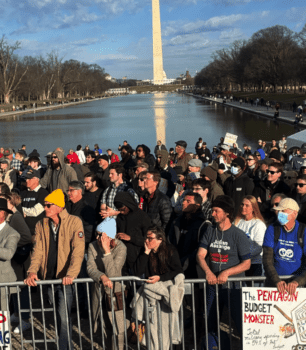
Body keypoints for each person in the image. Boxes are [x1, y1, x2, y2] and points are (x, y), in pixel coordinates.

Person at [24, 189, 85, 350]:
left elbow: (78, 251)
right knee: (58, 315)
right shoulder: (41, 224)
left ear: (59, 206)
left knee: (64, 316)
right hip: (48, 278)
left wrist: (71, 274)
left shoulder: (74, 222)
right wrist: (32, 271)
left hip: (65, 279)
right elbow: (37, 251)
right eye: (44, 205)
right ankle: (65, 344)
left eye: (48, 205)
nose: (45, 208)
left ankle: (65, 347)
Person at [197, 195, 251, 350]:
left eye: (216, 211)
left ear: (227, 212)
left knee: (239, 323)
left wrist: (227, 272)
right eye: (212, 211)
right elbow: (200, 255)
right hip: (213, 285)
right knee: (210, 320)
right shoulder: (210, 230)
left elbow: (246, 263)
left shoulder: (238, 235)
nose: (212, 214)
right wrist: (208, 272)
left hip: (234, 287)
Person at [87, 223, 127, 350]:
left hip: (116, 292)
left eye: (101, 235)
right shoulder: (92, 246)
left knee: (118, 327)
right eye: (97, 235)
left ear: (110, 237)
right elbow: (90, 268)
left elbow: (114, 274)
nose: (98, 238)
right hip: (99, 292)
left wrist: (107, 252)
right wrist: (101, 277)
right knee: (103, 325)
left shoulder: (121, 248)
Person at [263, 198, 306, 295]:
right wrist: (276, 280)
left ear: (294, 213)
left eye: (283, 211)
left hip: (297, 286)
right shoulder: (272, 228)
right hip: (275, 284)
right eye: (278, 211)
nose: (279, 213)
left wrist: (297, 281)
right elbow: (267, 259)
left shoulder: (303, 231)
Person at [5, 193, 32, 334]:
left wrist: (11, 244)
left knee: (21, 289)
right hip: (14, 260)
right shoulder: (11, 217)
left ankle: (25, 319)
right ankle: (16, 313)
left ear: (11, 202)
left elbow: (27, 237)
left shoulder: (16, 217)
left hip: (20, 260)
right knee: (14, 288)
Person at [168, 192, 204, 278]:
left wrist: (185, 262)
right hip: (175, 268)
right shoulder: (176, 222)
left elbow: (200, 249)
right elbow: (169, 242)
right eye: (183, 200)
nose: (183, 203)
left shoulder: (203, 224)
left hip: (194, 271)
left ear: (197, 205)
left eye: (188, 201)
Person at [114, 191, 151, 273]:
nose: (122, 212)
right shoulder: (120, 218)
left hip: (139, 259)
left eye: (123, 209)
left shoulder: (142, 217)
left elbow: (149, 240)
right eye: (119, 210)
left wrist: (130, 238)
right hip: (123, 259)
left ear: (128, 204)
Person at [234, 196, 266, 278]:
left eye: (247, 205)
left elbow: (259, 247)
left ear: (253, 208)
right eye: (242, 204)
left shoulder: (258, 224)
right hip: (239, 264)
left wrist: (242, 256)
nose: (243, 207)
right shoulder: (237, 222)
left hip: (254, 264)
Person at [0, 198, 20, 312]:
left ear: (3, 213)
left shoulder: (12, 233)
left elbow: (8, 254)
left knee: (3, 315)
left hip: (3, 280)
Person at [21, 168, 49, 237]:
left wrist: (22, 211)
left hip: (37, 232)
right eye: (26, 178)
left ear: (37, 179)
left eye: (29, 179)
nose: (27, 180)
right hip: (23, 231)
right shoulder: (23, 193)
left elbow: (35, 211)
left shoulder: (43, 193)